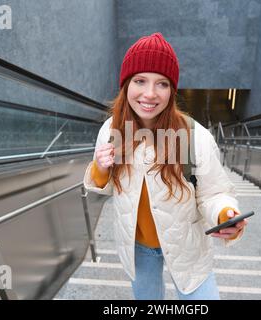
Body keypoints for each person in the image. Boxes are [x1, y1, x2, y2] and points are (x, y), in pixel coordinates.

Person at [83, 32, 247, 300]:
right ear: (126, 85)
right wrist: (100, 169)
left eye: (162, 84)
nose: (149, 94)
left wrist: (225, 213)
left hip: (188, 246)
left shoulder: (195, 136)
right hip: (137, 248)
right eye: (140, 81)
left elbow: (215, 193)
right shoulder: (111, 130)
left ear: (172, 91)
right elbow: (105, 186)